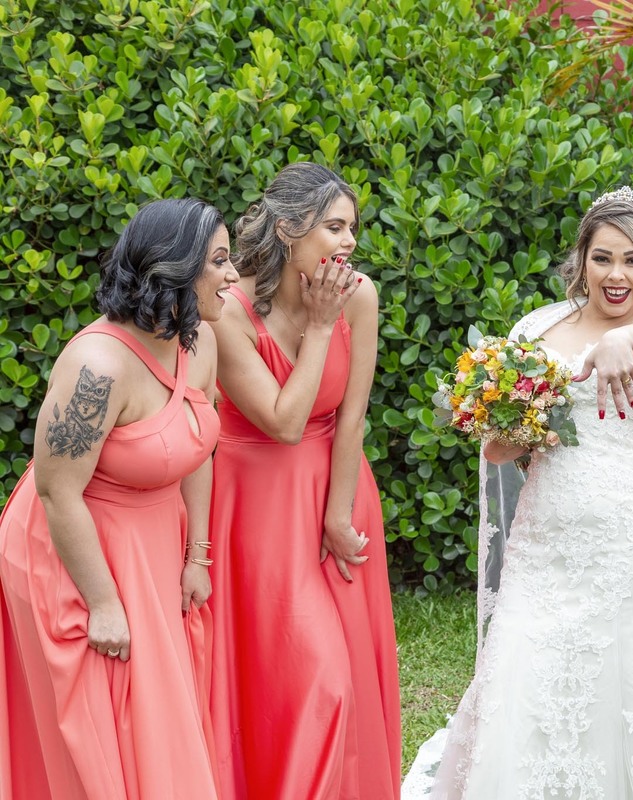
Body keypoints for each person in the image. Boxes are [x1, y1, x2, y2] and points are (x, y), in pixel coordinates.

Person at [412, 186, 633, 799]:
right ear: (581, 259)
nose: (617, 275)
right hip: (546, 538)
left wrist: (621, 342)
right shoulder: (536, 328)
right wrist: (502, 423)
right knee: (529, 668)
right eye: (604, 257)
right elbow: (504, 450)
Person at [0, 198, 237, 798]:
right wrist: (103, 603)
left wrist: (197, 556)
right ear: (174, 268)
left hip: (153, 536)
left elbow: (197, 447)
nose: (233, 276)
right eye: (220, 261)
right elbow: (57, 491)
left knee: (160, 707)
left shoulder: (200, 339)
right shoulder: (96, 368)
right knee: (109, 717)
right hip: (75, 544)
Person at [207, 162, 401, 800]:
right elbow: (284, 422)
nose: (349, 243)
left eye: (353, 228)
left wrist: (339, 513)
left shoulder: (361, 294)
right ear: (290, 231)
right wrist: (319, 328)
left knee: (344, 673)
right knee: (311, 680)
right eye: (335, 227)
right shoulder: (229, 311)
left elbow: (352, 418)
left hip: (337, 490)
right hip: (255, 504)